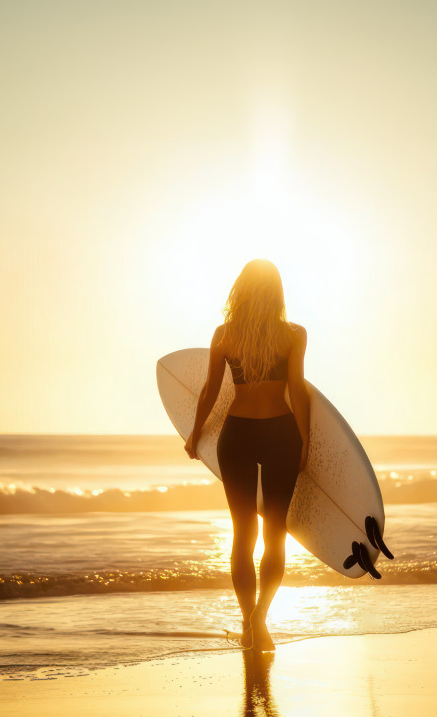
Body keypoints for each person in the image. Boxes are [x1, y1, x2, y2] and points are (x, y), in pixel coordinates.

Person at [184, 259, 309, 652]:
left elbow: (209, 391)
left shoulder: (225, 334)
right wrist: (304, 441)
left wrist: (196, 434)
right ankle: (259, 620)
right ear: (277, 292)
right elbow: (298, 391)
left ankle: (248, 622)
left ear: (241, 289)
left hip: (236, 437)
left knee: (243, 536)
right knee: (275, 535)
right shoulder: (293, 335)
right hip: (280, 435)